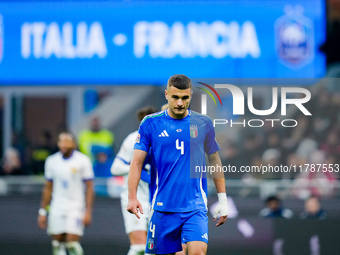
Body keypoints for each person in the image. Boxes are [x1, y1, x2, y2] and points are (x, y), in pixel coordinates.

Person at [127, 74, 228, 255]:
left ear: (190, 96)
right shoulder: (150, 123)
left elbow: (214, 159)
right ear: (166, 95)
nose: (180, 103)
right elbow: (136, 163)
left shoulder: (203, 123)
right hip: (162, 208)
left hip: (194, 207)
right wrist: (132, 197)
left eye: (185, 98)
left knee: (197, 252)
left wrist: (223, 200)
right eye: (175, 97)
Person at [37, 132, 94, 255]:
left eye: (67, 141)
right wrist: (42, 211)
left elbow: (89, 188)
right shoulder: (51, 161)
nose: (63, 144)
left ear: (73, 144)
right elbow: (48, 188)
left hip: (76, 207)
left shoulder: (83, 161)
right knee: (57, 243)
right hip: (57, 207)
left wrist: (88, 211)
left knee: (72, 243)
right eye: (61, 141)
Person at [111, 106, 157, 255]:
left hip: (158, 200)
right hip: (136, 198)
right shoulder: (133, 139)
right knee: (138, 247)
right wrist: (137, 169)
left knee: (156, 249)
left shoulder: (164, 140)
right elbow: (115, 168)